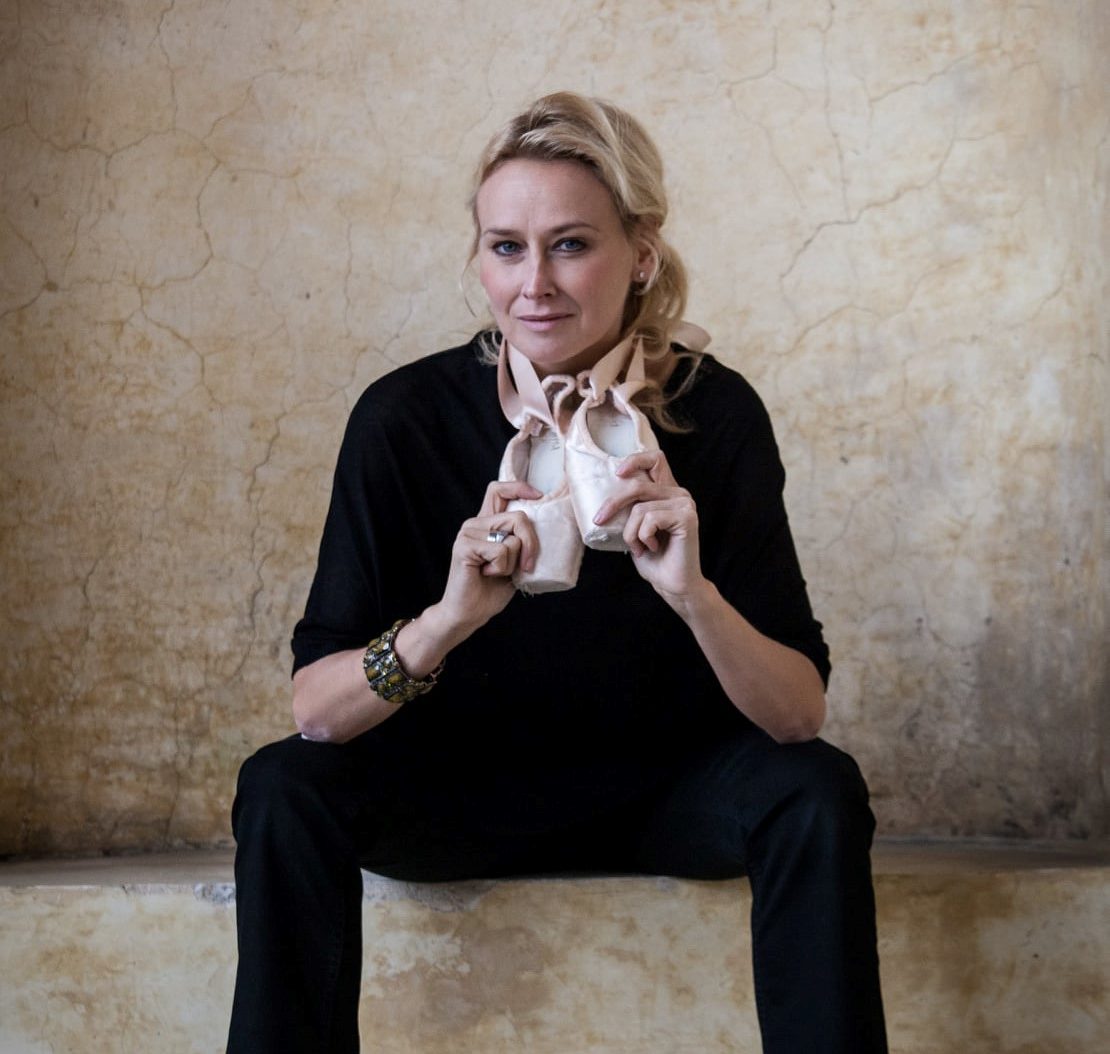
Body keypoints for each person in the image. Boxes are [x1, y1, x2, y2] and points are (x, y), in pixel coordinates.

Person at [227, 91, 888, 1054]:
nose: (533, 283)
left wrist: (692, 596)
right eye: (506, 247)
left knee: (817, 791)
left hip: (667, 796)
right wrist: (447, 621)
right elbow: (317, 713)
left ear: (642, 254)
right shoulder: (403, 418)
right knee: (281, 786)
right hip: (458, 795)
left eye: (570, 245)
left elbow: (797, 715)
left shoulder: (717, 413)